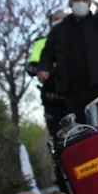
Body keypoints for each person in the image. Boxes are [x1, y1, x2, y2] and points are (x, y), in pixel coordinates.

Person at [37, 0, 98, 126]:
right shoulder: (60, 29)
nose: (80, 2)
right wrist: (43, 69)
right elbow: (48, 53)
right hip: (72, 91)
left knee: (96, 129)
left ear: (90, 2)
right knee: (77, 132)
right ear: (70, 3)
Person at [28, 10, 67, 141]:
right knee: (58, 139)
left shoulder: (78, 42)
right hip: (52, 99)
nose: (60, 21)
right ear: (51, 23)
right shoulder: (41, 43)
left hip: (77, 97)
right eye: (56, 18)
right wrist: (49, 71)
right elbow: (31, 67)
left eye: (63, 18)